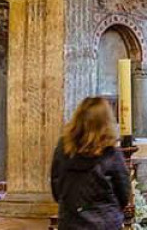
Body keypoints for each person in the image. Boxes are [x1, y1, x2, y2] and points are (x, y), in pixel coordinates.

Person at [50, 97, 132, 230]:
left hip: (71, 222)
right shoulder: (111, 153)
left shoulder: (63, 149)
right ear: (107, 122)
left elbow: (56, 188)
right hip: (105, 223)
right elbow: (124, 194)